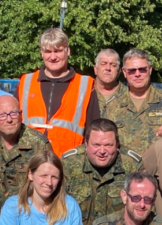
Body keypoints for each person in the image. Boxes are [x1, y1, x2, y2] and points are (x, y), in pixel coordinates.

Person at [17, 28, 100, 157]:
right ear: (41, 53)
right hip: (29, 159)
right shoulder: (26, 82)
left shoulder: (85, 84)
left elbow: (94, 129)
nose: (53, 57)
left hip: (69, 161)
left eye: (58, 51)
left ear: (68, 51)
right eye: (48, 51)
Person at [61, 119, 143, 225]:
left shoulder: (133, 165)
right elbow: (54, 208)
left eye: (108, 145)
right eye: (96, 145)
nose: (102, 151)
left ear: (117, 145)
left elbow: (144, 208)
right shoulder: (69, 163)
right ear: (86, 144)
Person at [102, 48, 162, 155]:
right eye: (132, 70)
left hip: (158, 169)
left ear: (150, 69)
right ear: (124, 72)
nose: (137, 74)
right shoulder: (112, 104)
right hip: (125, 169)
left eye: (142, 69)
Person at [0, 94, 52, 197]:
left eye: (13, 113)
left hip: (26, 207)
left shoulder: (38, 143)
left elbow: (49, 180)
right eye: (2, 115)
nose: (9, 119)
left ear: (21, 115)